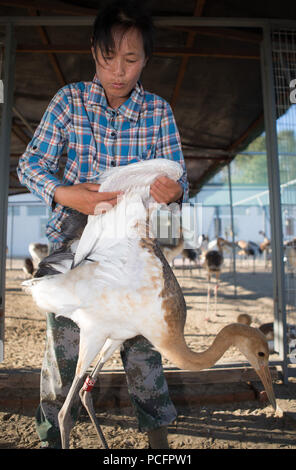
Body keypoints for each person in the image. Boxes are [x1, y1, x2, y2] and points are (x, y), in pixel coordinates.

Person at [17, 0, 189, 449]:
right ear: (94, 52)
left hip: (133, 244)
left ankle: (158, 444)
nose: (119, 70)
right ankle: (52, 435)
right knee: (64, 347)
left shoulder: (158, 112)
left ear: (145, 60)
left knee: (147, 343)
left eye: (131, 60)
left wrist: (174, 192)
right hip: (75, 237)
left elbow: (178, 179)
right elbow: (30, 164)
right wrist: (65, 193)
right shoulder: (69, 101)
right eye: (109, 58)